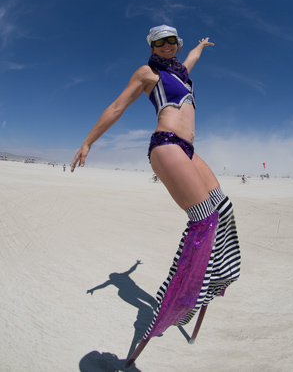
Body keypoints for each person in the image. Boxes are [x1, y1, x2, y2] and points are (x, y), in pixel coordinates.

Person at [71, 25, 240, 362]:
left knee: (223, 209)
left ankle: (211, 279)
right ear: (151, 45)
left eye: (171, 41)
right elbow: (118, 106)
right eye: (158, 42)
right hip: (166, 145)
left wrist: (200, 46)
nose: (166, 46)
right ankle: (176, 300)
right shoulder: (148, 72)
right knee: (203, 221)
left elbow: (190, 57)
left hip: (190, 149)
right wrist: (88, 141)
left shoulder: (181, 71)